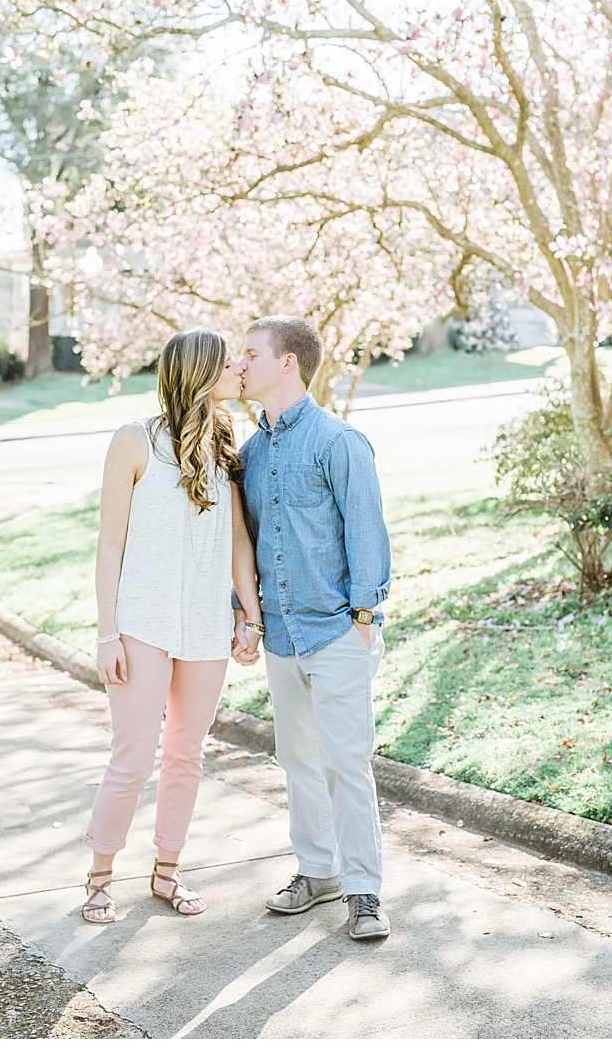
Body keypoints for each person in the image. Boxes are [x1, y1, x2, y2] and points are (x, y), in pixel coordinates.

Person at [80, 329, 263, 923]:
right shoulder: (133, 441)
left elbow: (237, 537)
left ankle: (167, 873)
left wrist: (249, 616)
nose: (239, 369)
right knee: (133, 755)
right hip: (141, 622)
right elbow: (110, 543)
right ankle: (100, 876)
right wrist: (107, 633)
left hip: (206, 624)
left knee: (186, 753)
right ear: (198, 373)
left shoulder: (227, 440)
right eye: (229, 362)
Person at [232, 315, 393, 941]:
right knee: (298, 759)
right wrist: (244, 616)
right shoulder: (250, 452)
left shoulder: (338, 442)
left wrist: (361, 619)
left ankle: (364, 890)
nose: (240, 364)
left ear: (287, 362)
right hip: (281, 636)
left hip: (336, 633)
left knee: (346, 763)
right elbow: (243, 545)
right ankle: (318, 871)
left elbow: (367, 536)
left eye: (250, 353)